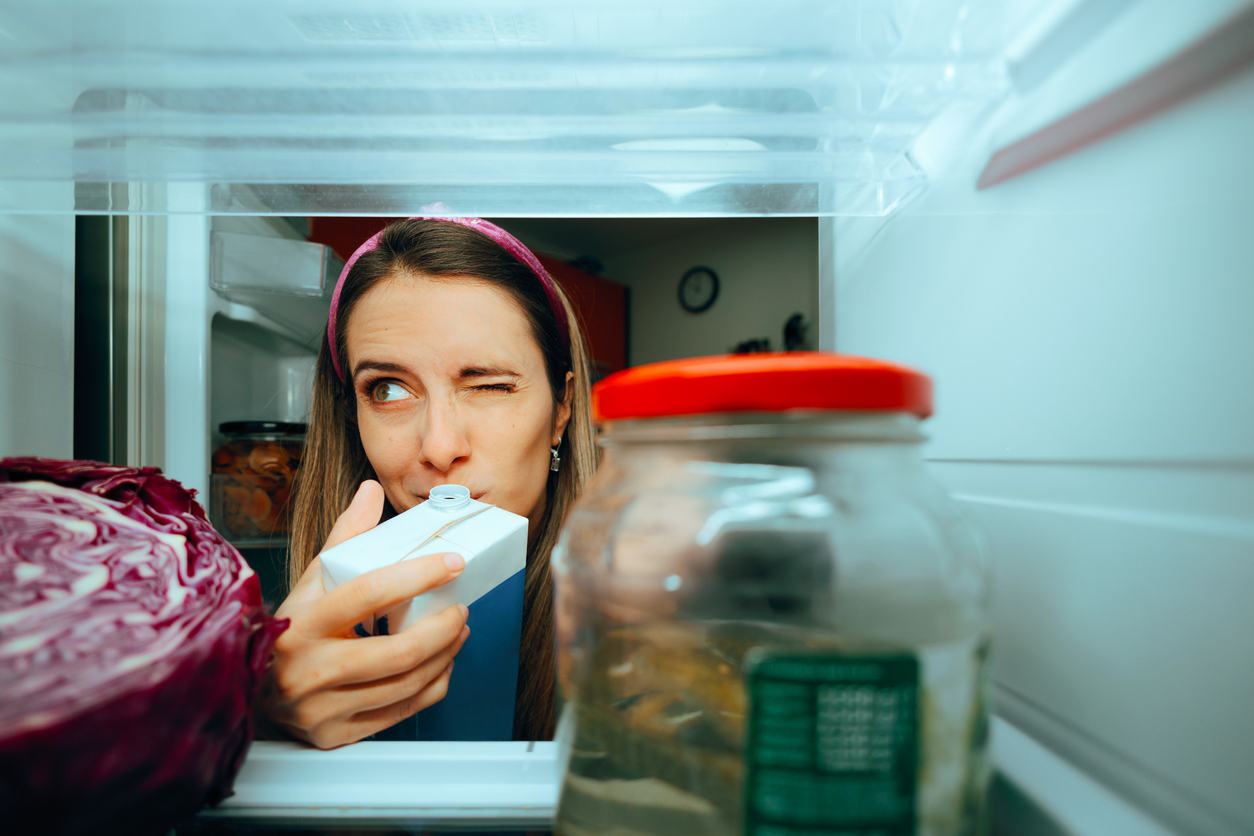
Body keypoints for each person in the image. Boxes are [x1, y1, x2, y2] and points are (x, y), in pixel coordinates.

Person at [253, 216, 597, 749]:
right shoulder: (295, 642)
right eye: (388, 390)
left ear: (561, 409)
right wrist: (262, 715)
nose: (439, 448)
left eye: (489, 385)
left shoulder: (639, 627)